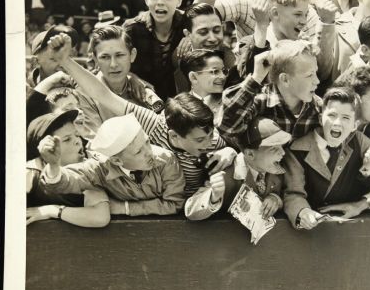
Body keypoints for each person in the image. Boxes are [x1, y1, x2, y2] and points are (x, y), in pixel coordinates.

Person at [44, 32, 238, 199]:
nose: (206, 143)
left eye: (120, 55)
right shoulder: (155, 125)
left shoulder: (211, 138)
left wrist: (230, 153)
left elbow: (242, 154)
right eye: (199, 140)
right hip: (150, 198)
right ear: (173, 136)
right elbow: (102, 95)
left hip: (194, 206)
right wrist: (66, 61)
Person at [282, 86, 370, 230]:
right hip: (313, 230)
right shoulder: (298, 149)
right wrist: (302, 212)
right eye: (332, 115)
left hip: (351, 228)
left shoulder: (358, 140)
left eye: (346, 118)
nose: (337, 123)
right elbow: (293, 193)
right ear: (321, 119)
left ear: (354, 125)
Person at [39, 114, 186, 216]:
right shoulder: (100, 168)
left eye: (147, 142)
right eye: (139, 151)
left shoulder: (166, 159)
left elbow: (175, 204)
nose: (149, 152)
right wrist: (53, 165)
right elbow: (68, 181)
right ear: (116, 161)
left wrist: (125, 208)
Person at [185, 117, 292, 221]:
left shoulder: (274, 169)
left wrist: (275, 199)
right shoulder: (225, 174)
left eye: (281, 146)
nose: (282, 153)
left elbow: (286, 194)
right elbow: (190, 210)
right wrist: (213, 197)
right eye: (274, 148)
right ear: (250, 154)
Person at [235, 0, 335, 85]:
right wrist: (261, 26)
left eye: (306, 15)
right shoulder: (248, 44)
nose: (304, 22)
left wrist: (327, 23)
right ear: (275, 13)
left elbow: (322, 76)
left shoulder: (305, 47)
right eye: (297, 14)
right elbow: (248, 80)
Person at [219, 40, 321, 139]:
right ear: (285, 79)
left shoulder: (318, 107)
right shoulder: (259, 101)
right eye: (309, 75)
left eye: (315, 73)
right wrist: (256, 78)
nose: (317, 81)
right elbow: (226, 128)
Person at [26, 110, 110, 228]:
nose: (77, 141)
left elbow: (100, 217)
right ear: (45, 149)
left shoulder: (88, 172)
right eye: (67, 139)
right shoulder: (33, 170)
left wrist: (53, 211)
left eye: (76, 135)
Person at [76, 25, 164, 137]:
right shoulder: (84, 95)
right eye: (105, 57)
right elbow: (96, 143)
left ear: (132, 55)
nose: (113, 64)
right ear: (95, 60)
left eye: (119, 55)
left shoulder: (144, 90)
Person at [124, 0, 186, 100]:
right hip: (142, 103)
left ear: (179, 0)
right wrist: (130, 76)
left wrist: (193, 37)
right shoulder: (132, 28)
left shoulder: (189, 24)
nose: (160, 2)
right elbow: (108, 64)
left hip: (182, 104)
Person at [173, 3, 237, 93]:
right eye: (203, 32)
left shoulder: (230, 62)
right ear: (188, 34)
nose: (212, 38)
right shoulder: (181, 56)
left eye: (217, 30)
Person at [179, 49, 229, 124]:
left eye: (224, 71)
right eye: (215, 71)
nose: (223, 76)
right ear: (193, 77)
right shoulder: (179, 106)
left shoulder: (229, 102)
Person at [26, 25, 79, 92]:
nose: (63, 64)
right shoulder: (22, 88)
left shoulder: (78, 85)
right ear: (36, 62)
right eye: (55, 59)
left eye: (68, 58)